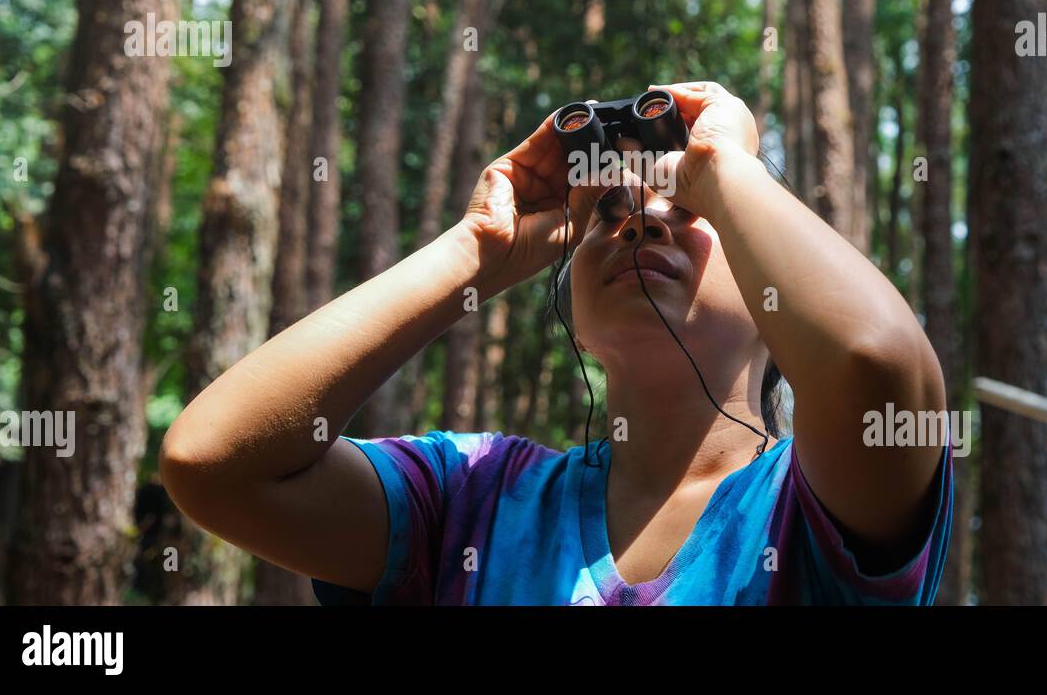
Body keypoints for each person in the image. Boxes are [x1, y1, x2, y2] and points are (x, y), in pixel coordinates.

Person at [161, 80, 953, 605]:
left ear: (773, 290)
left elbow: (873, 359)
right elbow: (216, 462)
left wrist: (720, 165)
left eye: (690, 212)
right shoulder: (470, 501)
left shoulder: (811, 505)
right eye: (606, 214)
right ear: (573, 312)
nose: (638, 219)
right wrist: (479, 248)